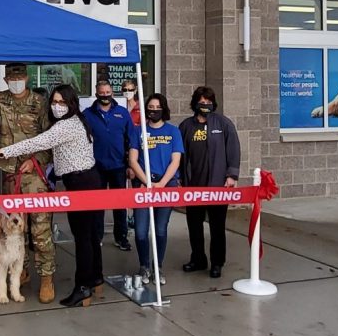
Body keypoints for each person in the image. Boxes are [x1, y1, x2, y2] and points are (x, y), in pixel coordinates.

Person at [0, 85, 100, 308]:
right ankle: (96, 278)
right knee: (91, 235)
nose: (57, 106)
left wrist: (1, 152)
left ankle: (83, 288)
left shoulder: (66, 125)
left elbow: (37, 142)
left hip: (82, 182)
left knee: (83, 237)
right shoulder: (79, 121)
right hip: (85, 180)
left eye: (62, 102)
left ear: (71, 103)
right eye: (54, 102)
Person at [0, 63, 57, 304]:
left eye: (20, 77)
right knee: (13, 228)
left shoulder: (40, 103)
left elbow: (50, 140)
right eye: (12, 77)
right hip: (9, 173)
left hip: (34, 176)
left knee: (39, 228)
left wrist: (35, 160)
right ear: (7, 79)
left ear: (26, 77)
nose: (16, 81)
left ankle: (47, 276)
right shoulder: (0, 99)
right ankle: (22, 269)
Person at [178, 86, 241, 279]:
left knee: (217, 226)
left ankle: (217, 262)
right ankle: (198, 259)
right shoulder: (186, 126)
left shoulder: (223, 124)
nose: (205, 105)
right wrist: (179, 178)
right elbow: (179, 155)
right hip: (193, 186)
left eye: (208, 102)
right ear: (195, 103)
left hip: (217, 186)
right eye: (201, 102)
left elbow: (234, 149)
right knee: (194, 225)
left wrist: (232, 175)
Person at [127, 93, 183, 285]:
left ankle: (157, 266)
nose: (153, 110)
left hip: (166, 185)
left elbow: (176, 160)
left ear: (163, 109)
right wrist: (147, 183)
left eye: (157, 107)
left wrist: (162, 184)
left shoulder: (173, 132)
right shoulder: (138, 131)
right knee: (141, 231)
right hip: (143, 185)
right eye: (150, 107)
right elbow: (133, 160)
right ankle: (144, 265)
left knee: (160, 229)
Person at [83, 80, 134, 252]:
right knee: (97, 205)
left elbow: (131, 140)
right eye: (101, 92)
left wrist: (130, 165)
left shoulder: (122, 113)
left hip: (119, 166)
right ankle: (96, 237)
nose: (105, 95)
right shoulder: (88, 114)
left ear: (112, 93)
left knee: (120, 204)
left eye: (108, 92)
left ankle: (121, 237)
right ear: (97, 93)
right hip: (95, 167)